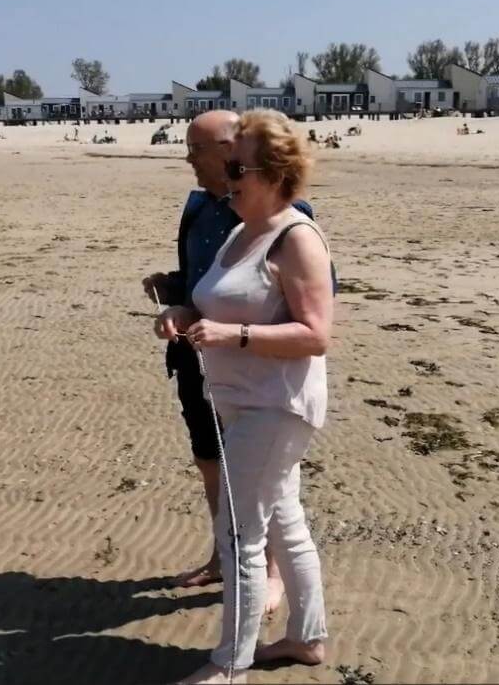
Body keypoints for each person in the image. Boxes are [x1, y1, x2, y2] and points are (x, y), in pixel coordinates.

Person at [157, 110, 331, 684]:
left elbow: (316, 334)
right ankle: (308, 639)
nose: (226, 176)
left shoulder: (297, 238)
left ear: (273, 171)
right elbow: (216, 302)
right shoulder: (238, 230)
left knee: (241, 535)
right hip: (236, 400)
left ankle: (229, 664)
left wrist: (237, 336)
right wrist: (182, 312)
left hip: (274, 406)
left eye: (237, 165)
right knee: (285, 521)